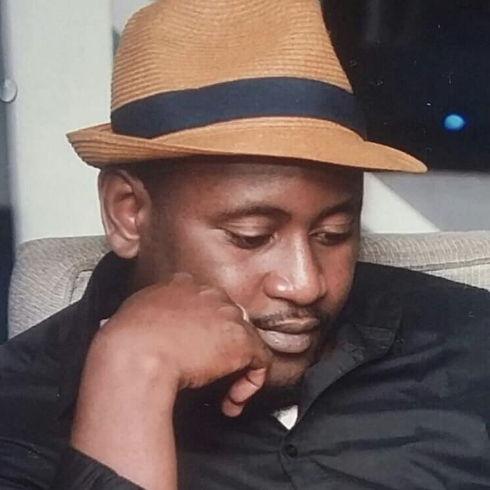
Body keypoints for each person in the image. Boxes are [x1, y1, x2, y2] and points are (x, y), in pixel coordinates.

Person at [1, 1, 489, 489]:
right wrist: (133, 372)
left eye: (334, 234)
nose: (306, 284)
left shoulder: (469, 340)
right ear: (129, 213)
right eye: (251, 236)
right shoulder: (19, 408)